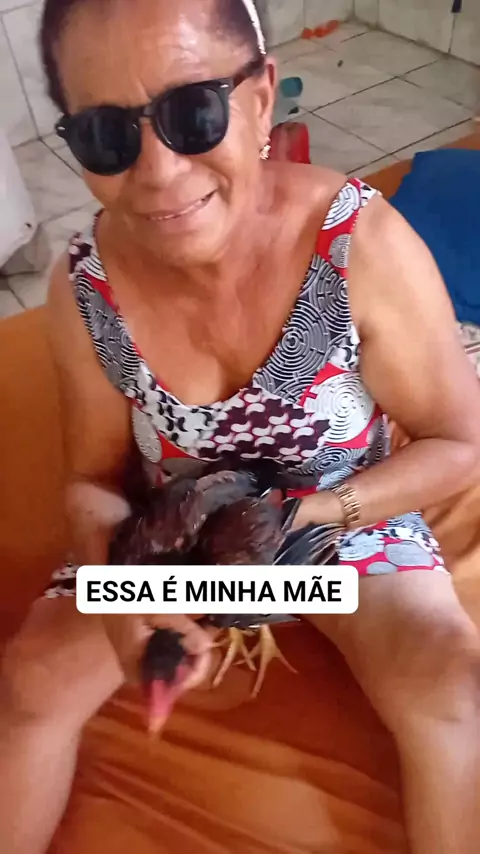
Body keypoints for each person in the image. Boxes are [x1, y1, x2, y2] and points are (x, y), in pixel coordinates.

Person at [1, 0, 480, 851]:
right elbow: (92, 480)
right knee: (30, 686)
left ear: (260, 100)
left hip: (341, 522)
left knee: (455, 693)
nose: (157, 170)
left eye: (193, 113)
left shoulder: (357, 245)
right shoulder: (88, 290)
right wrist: (124, 594)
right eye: (107, 134)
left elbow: (459, 444)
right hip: (174, 544)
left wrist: (303, 519)